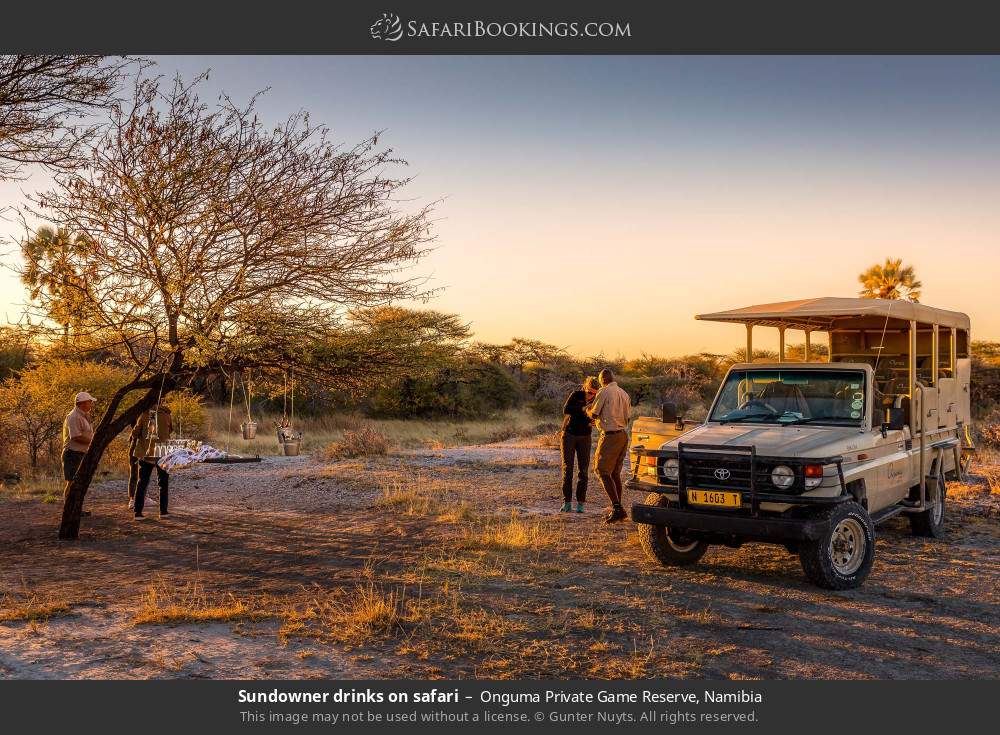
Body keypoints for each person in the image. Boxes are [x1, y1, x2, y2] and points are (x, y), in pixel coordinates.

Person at [586, 368, 632, 523]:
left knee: (602, 470)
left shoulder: (604, 391)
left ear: (602, 380)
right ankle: (618, 508)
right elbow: (628, 418)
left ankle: (617, 508)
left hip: (610, 436)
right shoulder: (624, 393)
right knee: (614, 474)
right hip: (623, 435)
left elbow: (594, 413)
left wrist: (586, 410)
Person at [559, 376, 599, 513]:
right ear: (584, 387)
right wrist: (583, 408)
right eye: (589, 391)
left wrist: (595, 422)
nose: (590, 395)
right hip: (569, 435)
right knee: (567, 469)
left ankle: (581, 503)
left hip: (585, 436)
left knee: (583, 470)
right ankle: (567, 502)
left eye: (594, 393)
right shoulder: (576, 395)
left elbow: (598, 416)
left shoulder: (597, 400)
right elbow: (566, 409)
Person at [129, 405, 172, 520]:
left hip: (147, 453)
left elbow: (135, 433)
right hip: (163, 452)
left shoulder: (144, 414)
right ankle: (163, 512)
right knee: (163, 483)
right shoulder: (167, 414)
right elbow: (170, 430)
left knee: (142, 482)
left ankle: (138, 512)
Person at [62, 391, 96, 483]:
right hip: (73, 454)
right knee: (72, 483)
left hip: (80, 454)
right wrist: (93, 442)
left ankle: (73, 498)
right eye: (90, 402)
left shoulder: (85, 415)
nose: (91, 404)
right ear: (83, 403)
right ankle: (68, 498)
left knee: (79, 483)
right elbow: (76, 437)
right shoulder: (74, 417)